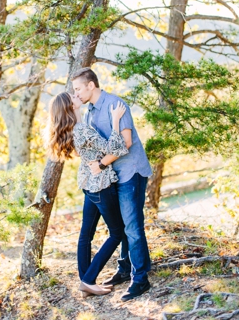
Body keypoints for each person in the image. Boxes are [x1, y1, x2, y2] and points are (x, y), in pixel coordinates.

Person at [72, 67, 154, 301]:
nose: (76, 94)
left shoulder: (115, 105)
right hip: (111, 176)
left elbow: (126, 142)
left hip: (130, 171)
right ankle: (124, 269)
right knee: (120, 226)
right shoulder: (88, 112)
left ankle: (140, 279)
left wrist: (100, 164)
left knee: (132, 226)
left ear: (91, 85)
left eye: (78, 89)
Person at [47, 92, 129, 298]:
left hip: (88, 184)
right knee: (117, 233)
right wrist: (117, 120)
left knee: (86, 235)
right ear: (70, 106)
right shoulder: (81, 129)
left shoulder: (74, 129)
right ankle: (88, 280)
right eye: (72, 96)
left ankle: (86, 283)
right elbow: (116, 148)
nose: (77, 96)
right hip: (100, 185)